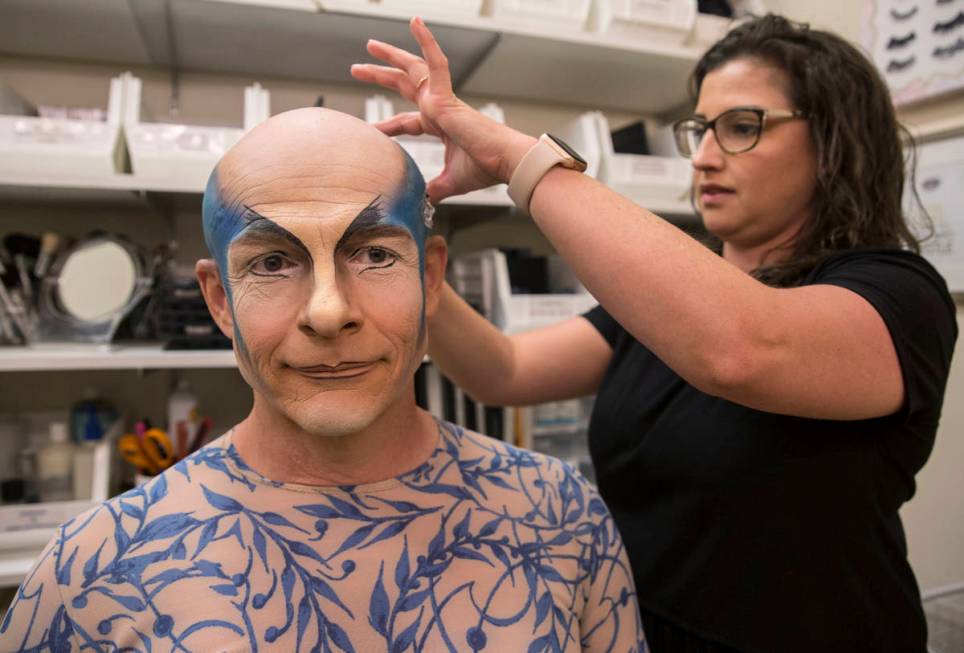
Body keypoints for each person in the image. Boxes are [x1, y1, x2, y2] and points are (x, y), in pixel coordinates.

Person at [349, 13, 958, 653]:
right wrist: (404, 258)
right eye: (698, 131)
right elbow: (504, 372)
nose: (705, 157)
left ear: (836, 142)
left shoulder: (898, 296)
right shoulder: (662, 307)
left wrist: (517, 162)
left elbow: (741, 349)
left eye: (743, 128)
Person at [0, 108, 644, 652]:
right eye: (274, 261)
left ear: (430, 277)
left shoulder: (561, 518)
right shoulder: (90, 573)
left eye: (374, 253)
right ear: (219, 299)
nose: (329, 312)